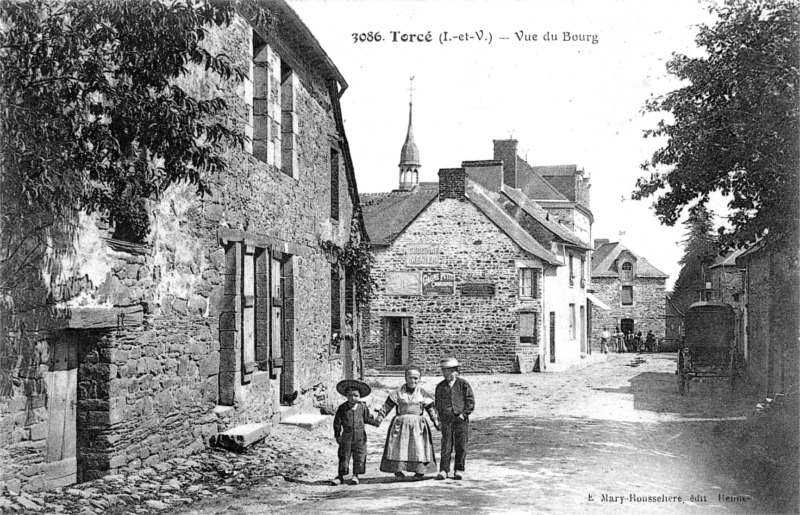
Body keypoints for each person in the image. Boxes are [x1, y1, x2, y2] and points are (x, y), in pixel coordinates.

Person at [375, 367, 440, 480]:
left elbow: (431, 410)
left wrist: (436, 422)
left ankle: (419, 471)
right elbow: (386, 407)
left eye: (416, 378)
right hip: (401, 425)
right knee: (399, 447)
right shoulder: (397, 393)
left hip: (418, 425)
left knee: (418, 447)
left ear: (419, 379)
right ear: (405, 378)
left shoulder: (423, 394)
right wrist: (379, 418)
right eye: (410, 378)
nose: (413, 381)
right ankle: (398, 471)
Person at [331, 379, 380, 486]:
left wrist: (376, 422)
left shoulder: (363, 407)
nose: (353, 398)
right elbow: (337, 422)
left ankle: (355, 475)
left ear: (359, 396)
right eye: (350, 395)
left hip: (360, 437)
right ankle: (340, 476)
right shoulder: (343, 408)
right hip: (346, 437)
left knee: (359, 456)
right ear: (346, 396)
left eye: (355, 395)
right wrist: (337, 435)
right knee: (344, 456)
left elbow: (367, 419)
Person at [435, 357, 474, 480]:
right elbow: (438, 404)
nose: (446, 374)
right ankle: (444, 470)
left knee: (461, 445)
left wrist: (464, 414)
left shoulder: (463, 384)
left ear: (456, 371)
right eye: (444, 371)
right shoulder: (440, 387)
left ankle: (458, 469)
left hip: (460, 419)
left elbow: (470, 401)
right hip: (447, 420)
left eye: (449, 371)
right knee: (446, 445)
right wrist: (440, 419)